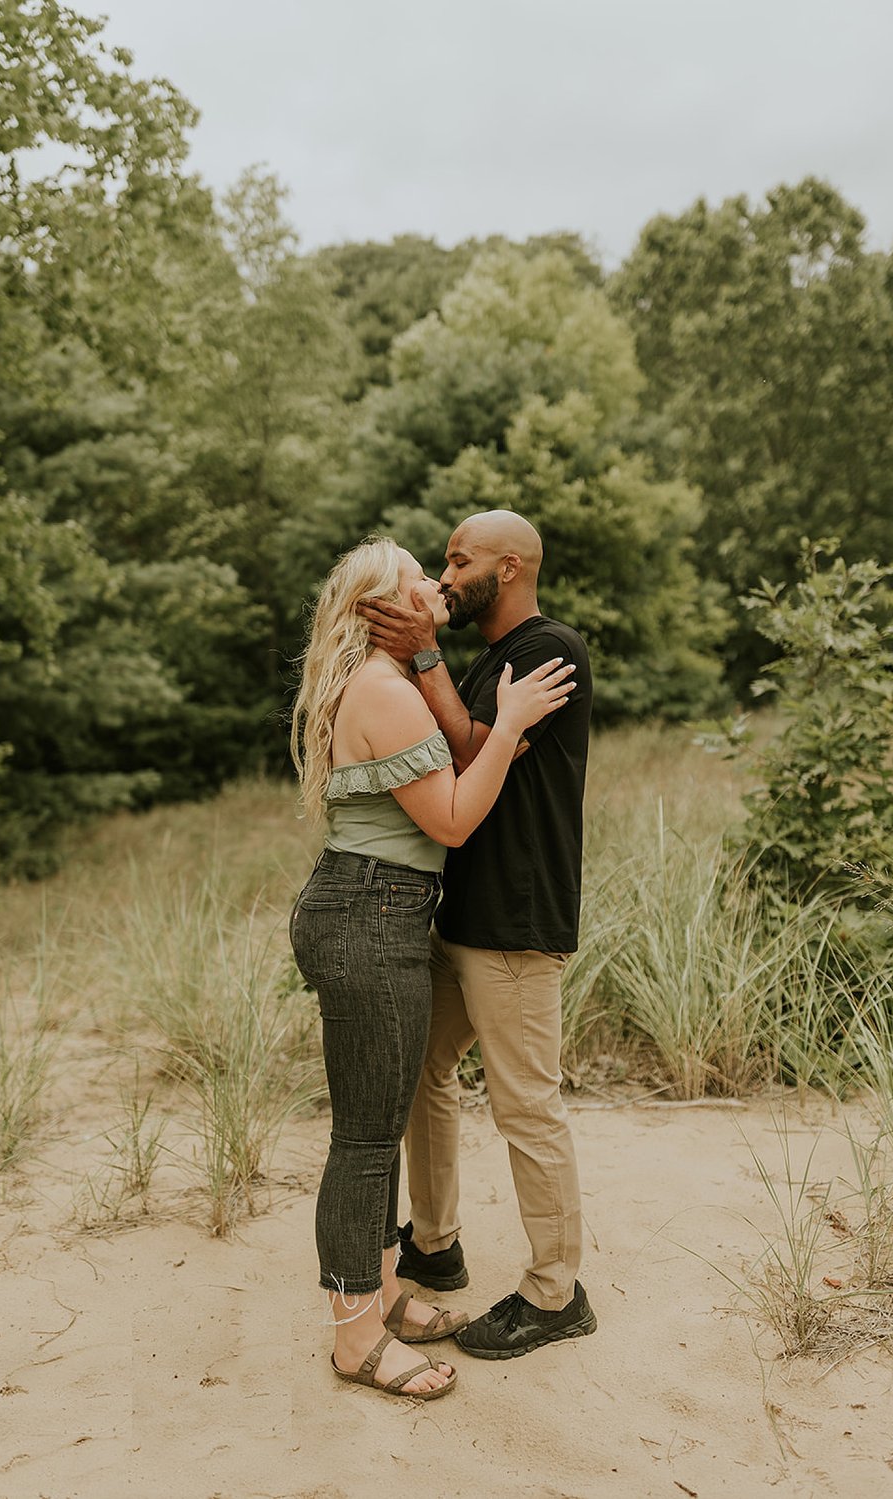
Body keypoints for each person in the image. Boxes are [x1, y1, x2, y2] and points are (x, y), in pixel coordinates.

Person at [288, 534, 576, 1399]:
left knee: (375, 1127)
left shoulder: (388, 679)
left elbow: (454, 763)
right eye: (421, 576)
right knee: (365, 1141)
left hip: (377, 908)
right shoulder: (383, 686)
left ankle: (382, 1298)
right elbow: (452, 817)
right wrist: (513, 724)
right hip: (371, 911)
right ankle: (355, 1338)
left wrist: (477, 709)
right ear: (384, 605)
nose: (437, 584)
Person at [359, 509, 597, 1359]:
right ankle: (436, 1239)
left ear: (511, 564)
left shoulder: (550, 650)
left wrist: (424, 654)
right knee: (428, 1064)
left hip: (517, 921)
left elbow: (468, 753)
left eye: (460, 561)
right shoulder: (492, 661)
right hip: (464, 913)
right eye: (445, 562)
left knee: (526, 1104)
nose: (447, 575)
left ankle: (555, 1290)